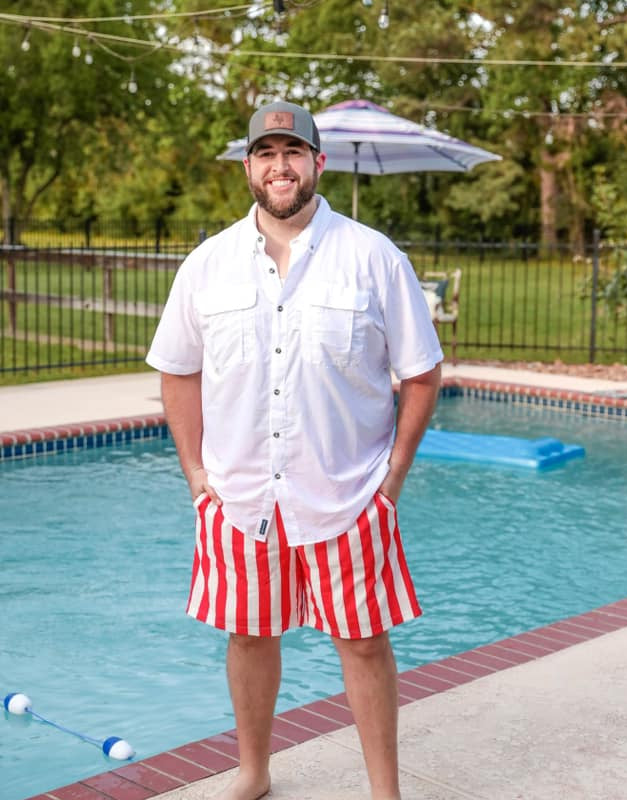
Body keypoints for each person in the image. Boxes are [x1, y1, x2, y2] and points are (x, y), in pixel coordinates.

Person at [146, 100, 443, 800]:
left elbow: (423, 373)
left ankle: (385, 793)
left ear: (318, 162)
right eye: (266, 153)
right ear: (248, 168)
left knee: (364, 642)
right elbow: (178, 370)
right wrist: (195, 474)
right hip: (240, 496)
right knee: (249, 636)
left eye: (293, 152)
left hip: (349, 494)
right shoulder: (207, 265)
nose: (280, 166)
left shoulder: (373, 257)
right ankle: (254, 772)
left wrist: (392, 481)